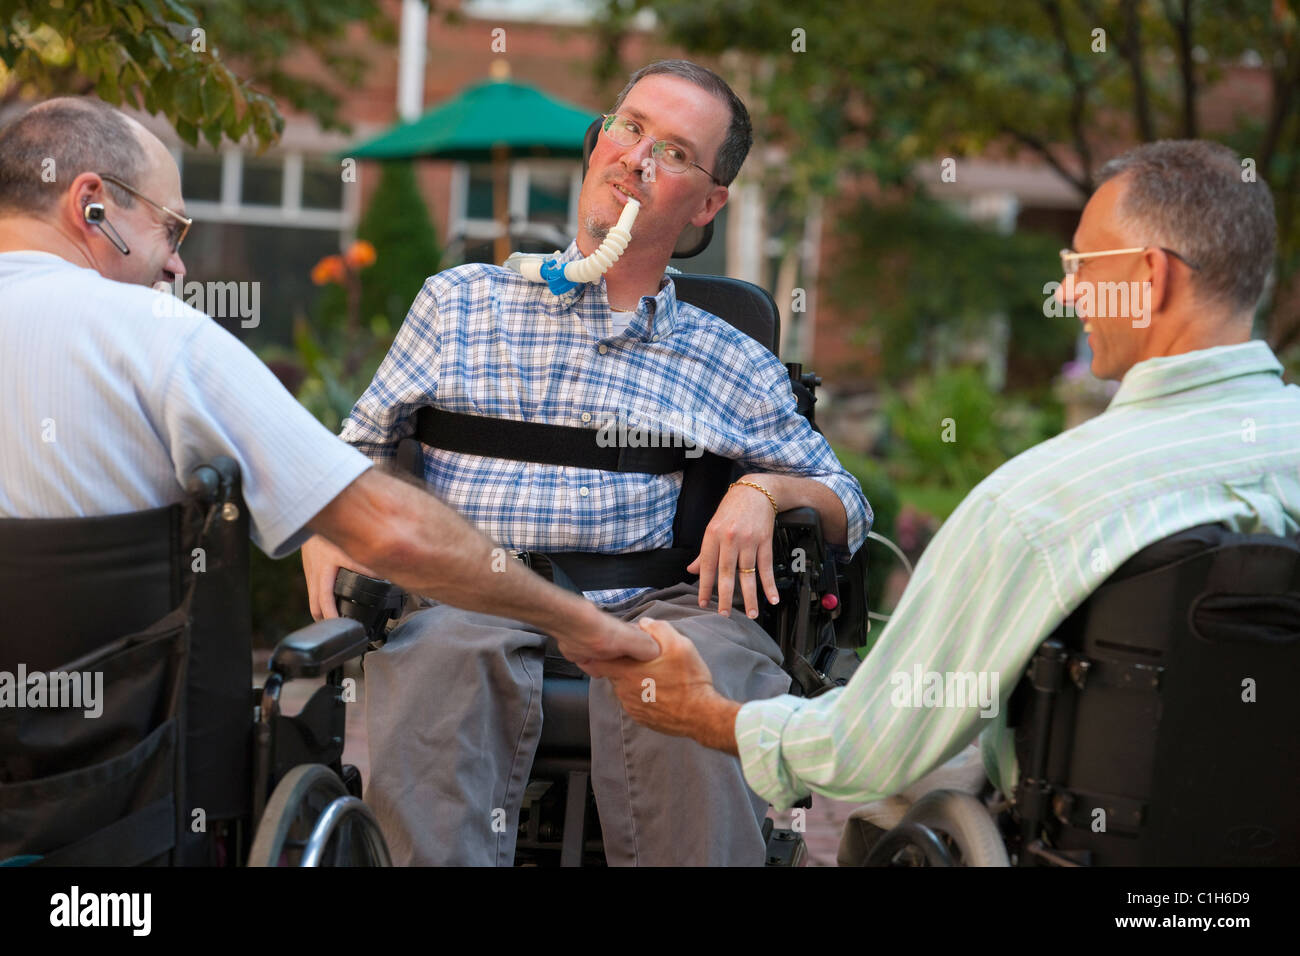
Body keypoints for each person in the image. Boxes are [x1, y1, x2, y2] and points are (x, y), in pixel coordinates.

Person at [586, 139, 1300, 815]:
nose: (1071, 290)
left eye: (1083, 263)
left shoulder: (1045, 504)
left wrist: (709, 715)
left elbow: (865, 748)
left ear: (1151, 277)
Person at [301, 59, 871, 866]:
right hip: (472, 593)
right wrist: (328, 516)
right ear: (598, 140)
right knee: (437, 657)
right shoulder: (459, 303)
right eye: (630, 127)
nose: (637, 157)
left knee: (697, 670)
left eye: (674, 151)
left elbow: (848, 502)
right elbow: (359, 445)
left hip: (650, 605)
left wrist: (766, 490)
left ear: (709, 203)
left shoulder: (726, 357)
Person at [0, 96, 658, 668]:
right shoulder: (156, 335)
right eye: (170, 227)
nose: (176, 265)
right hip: (103, 771)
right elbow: (389, 530)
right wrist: (582, 624)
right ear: (90, 205)